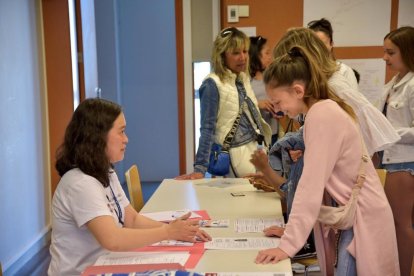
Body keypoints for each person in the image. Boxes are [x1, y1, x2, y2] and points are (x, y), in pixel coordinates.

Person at [254, 45, 400, 276]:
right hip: (355, 215)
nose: (278, 109)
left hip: (361, 218)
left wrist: (288, 245)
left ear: (298, 90)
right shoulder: (324, 109)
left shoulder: (322, 115)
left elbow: (310, 185)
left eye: (278, 102)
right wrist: (292, 232)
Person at [48, 98, 211, 275]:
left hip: (107, 264)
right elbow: (112, 239)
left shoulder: (105, 171)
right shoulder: (80, 183)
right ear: (97, 136)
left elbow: (131, 219)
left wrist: (176, 230)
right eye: (121, 132)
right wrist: (167, 232)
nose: (126, 139)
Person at [176, 27, 271, 180]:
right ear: (222, 56)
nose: (243, 57)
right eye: (236, 53)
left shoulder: (242, 77)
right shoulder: (212, 84)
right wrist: (200, 168)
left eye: (245, 51)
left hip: (256, 150)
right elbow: (207, 129)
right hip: (235, 157)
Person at [380, 26, 414, 276]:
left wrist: (389, 131)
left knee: (401, 225)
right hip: (393, 160)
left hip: (405, 162)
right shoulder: (394, 83)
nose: (385, 58)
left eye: (390, 52)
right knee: (394, 224)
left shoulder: (412, 85)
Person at [249, 36, 285, 146]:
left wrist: (280, 110)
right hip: (253, 136)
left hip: (273, 134)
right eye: (267, 53)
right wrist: (257, 104)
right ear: (256, 56)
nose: (270, 57)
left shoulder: (273, 78)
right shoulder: (246, 81)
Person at [307, 18, 359, 91]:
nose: (318, 49)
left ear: (331, 44)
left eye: (322, 44)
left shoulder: (343, 70)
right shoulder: (304, 70)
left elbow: (353, 100)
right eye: (314, 44)